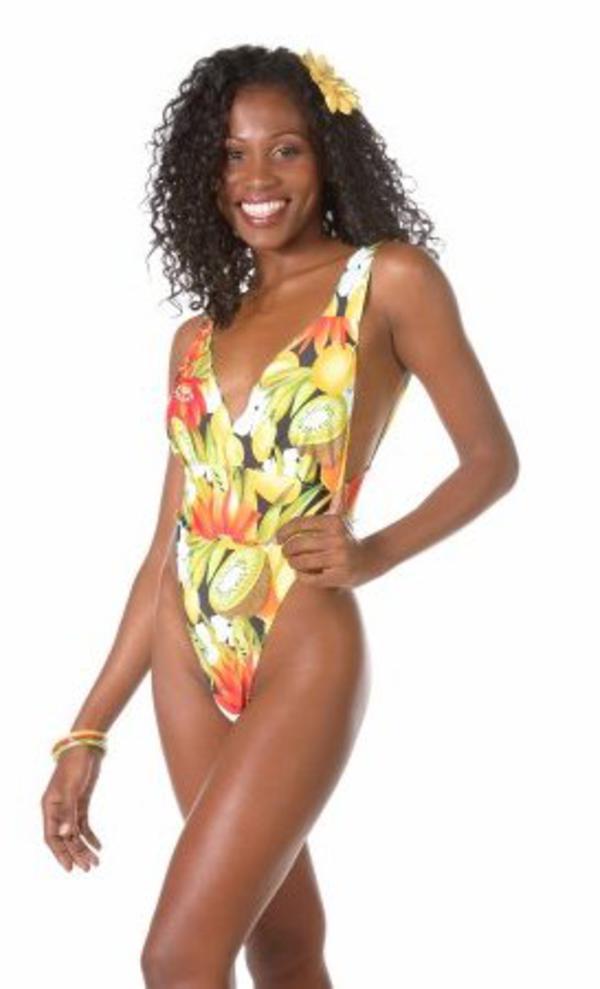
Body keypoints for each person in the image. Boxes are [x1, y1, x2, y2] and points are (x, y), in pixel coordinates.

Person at [41, 45, 519, 988]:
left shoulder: (388, 281)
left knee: (178, 955)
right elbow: (166, 548)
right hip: (186, 650)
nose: (257, 178)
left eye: (285, 149)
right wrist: (86, 732)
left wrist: (373, 552)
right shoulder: (196, 335)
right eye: (232, 154)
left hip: (301, 635)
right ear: (204, 173)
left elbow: (491, 459)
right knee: (283, 946)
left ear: (327, 156)